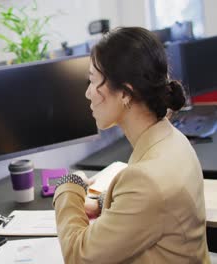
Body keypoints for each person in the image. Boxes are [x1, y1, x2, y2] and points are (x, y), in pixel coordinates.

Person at [53, 27, 210, 263]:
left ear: (126, 92)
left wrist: (69, 186)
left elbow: (78, 256)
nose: (87, 94)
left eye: (93, 81)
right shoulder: (172, 138)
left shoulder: (147, 180)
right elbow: (155, 210)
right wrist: (102, 202)